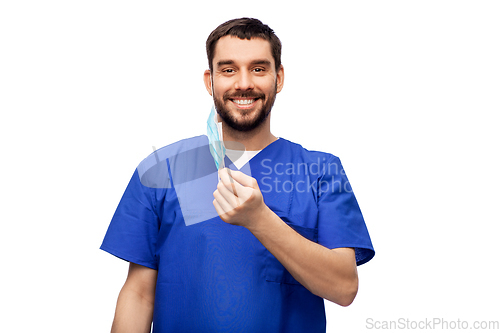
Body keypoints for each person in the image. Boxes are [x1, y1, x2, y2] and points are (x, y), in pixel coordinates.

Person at [101, 17, 374, 333]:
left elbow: (343, 288)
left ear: (279, 77)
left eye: (258, 69)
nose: (244, 83)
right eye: (228, 70)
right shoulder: (162, 170)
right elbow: (138, 293)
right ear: (210, 81)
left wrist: (260, 220)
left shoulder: (321, 171)